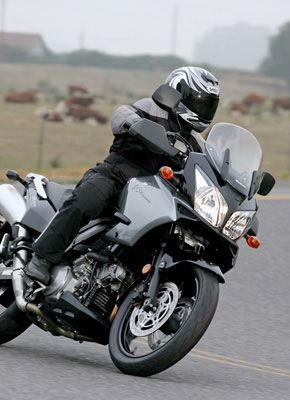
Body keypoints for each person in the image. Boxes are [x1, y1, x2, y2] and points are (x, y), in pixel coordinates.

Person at [24, 66, 220, 284]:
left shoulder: (197, 143)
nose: (203, 110)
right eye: (199, 102)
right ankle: (42, 258)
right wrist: (134, 124)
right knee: (88, 199)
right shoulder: (152, 108)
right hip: (116, 176)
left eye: (208, 105)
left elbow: (208, 172)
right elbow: (121, 114)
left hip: (154, 197)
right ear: (177, 92)